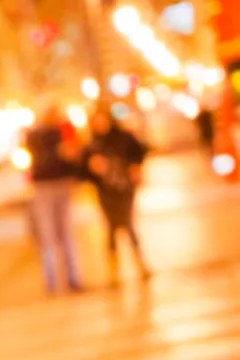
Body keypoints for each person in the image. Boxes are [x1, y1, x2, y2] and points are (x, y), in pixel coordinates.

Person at [83, 109, 150, 286]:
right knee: (111, 227)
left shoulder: (123, 137)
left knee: (127, 223)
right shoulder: (92, 144)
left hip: (124, 187)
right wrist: (92, 167)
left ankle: (140, 264)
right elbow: (83, 170)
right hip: (106, 192)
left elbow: (139, 151)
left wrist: (135, 167)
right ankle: (113, 271)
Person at [24, 104, 84, 294]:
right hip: (49, 185)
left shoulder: (53, 132)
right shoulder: (42, 134)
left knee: (60, 234)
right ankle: (57, 281)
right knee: (56, 234)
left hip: (57, 184)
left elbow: (74, 155)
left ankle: (65, 280)